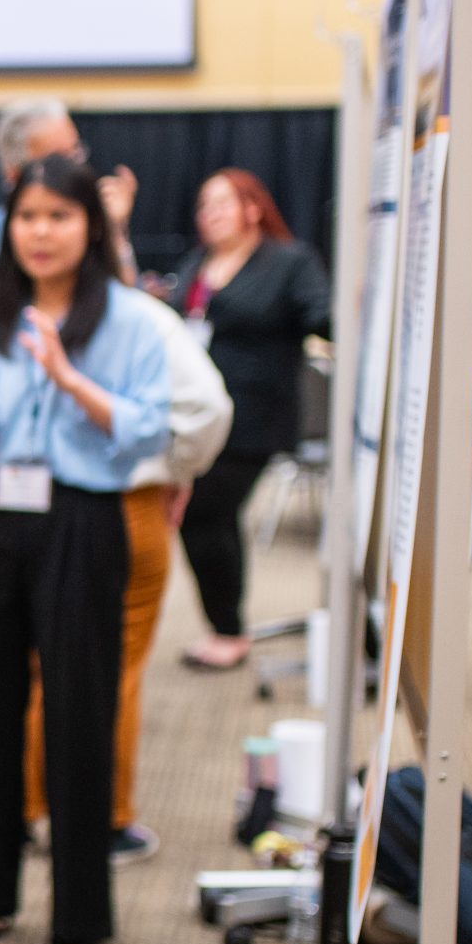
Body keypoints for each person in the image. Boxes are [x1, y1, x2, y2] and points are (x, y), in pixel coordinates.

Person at [0, 156, 172, 944]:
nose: (39, 232)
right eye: (26, 216)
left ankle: (79, 911)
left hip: (83, 517)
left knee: (79, 708)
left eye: (58, 217)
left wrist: (69, 378)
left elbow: (147, 429)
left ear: (89, 227)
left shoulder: (131, 319)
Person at [23, 283, 233, 864]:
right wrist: (176, 467)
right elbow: (208, 410)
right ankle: (102, 820)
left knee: (36, 662)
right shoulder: (142, 318)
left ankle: (26, 807)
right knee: (112, 664)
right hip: (118, 503)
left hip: (19, 505)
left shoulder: (3, 299)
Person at [170, 167, 332, 670]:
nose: (209, 214)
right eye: (204, 205)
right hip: (198, 416)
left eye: (221, 203)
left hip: (253, 418)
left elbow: (323, 317)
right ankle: (227, 626)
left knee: (203, 514)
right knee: (212, 519)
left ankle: (228, 631)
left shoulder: (288, 262)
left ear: (253, 208)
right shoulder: (200, 261)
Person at [0, 98, 138, 365]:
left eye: (77, 152)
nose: (42, 233)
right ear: (13, 175)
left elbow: (131, 316)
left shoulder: (93, 231)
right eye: (61, 158)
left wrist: (113, 231)